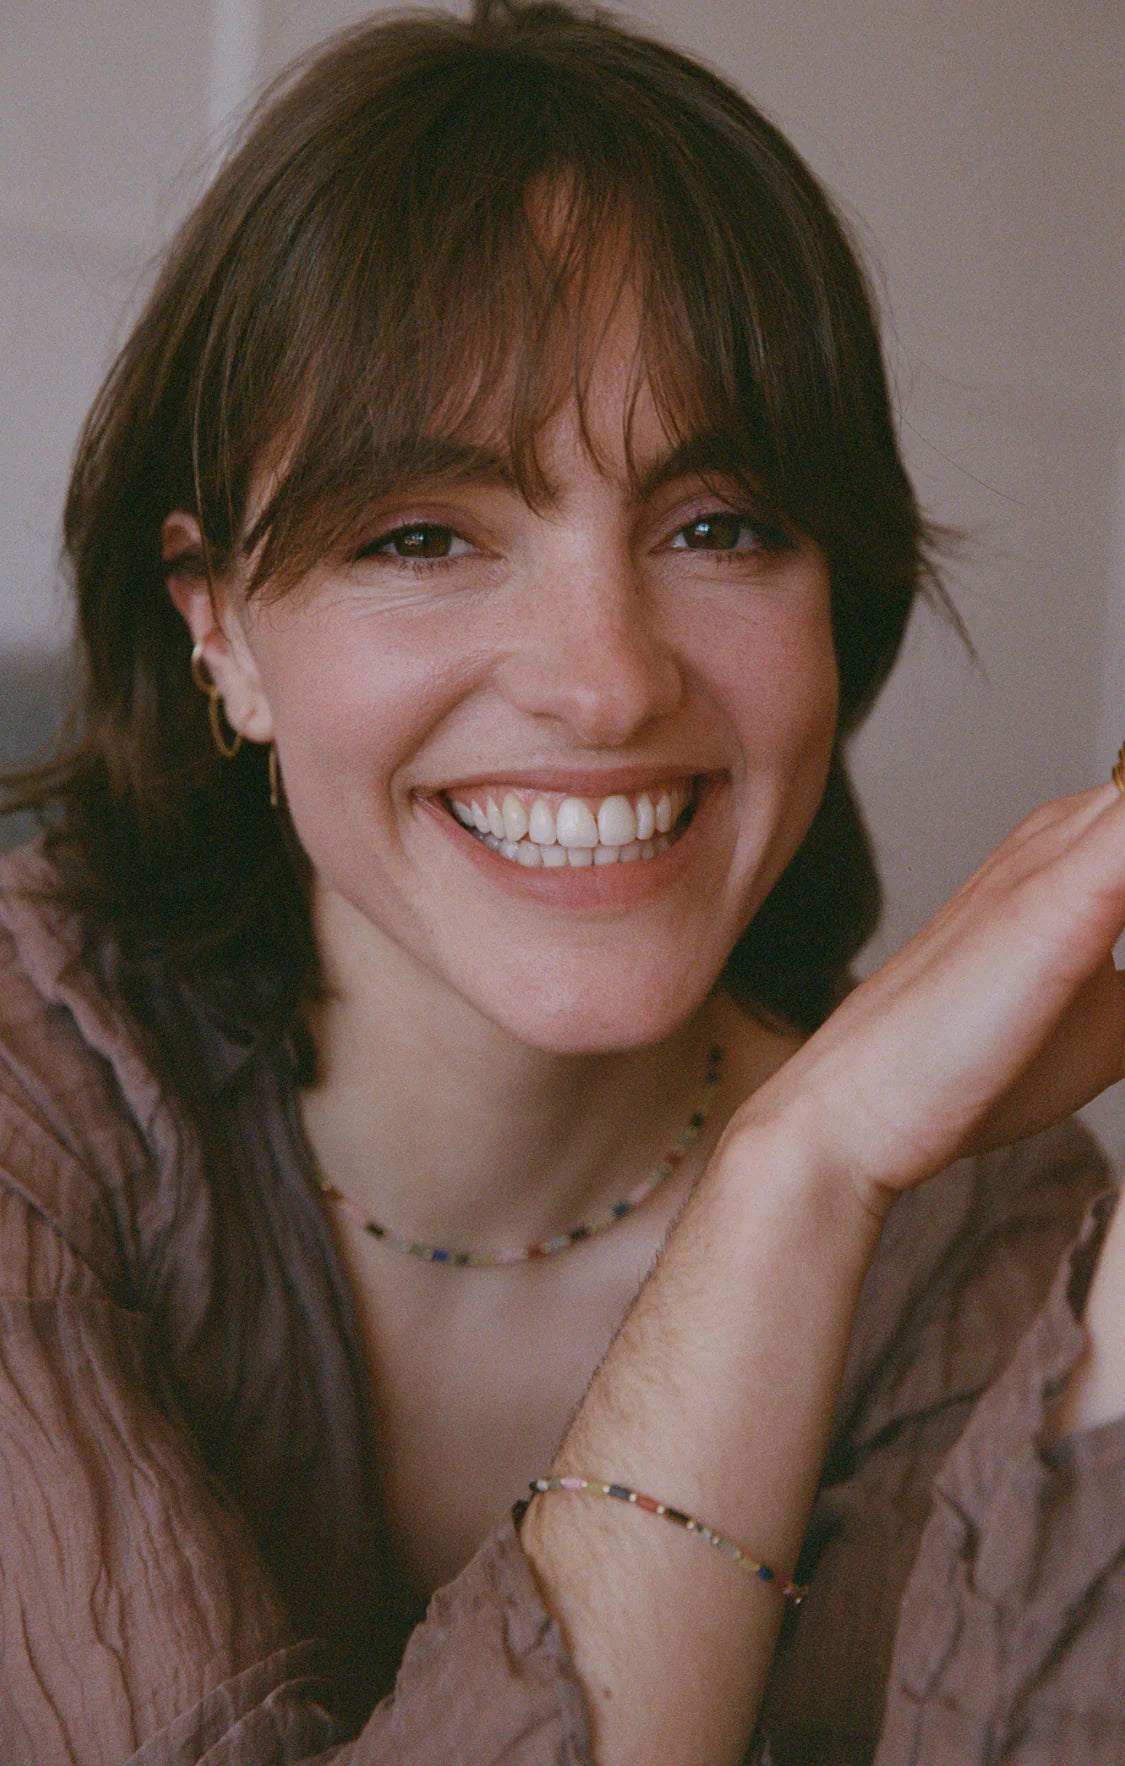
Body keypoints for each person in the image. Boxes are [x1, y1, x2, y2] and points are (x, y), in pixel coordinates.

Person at [0, 3, 1122, 1762]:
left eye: (717, 525)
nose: (603, 683)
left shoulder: (983, 1217)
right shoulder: (30, 1113)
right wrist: (787, 1194)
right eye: (422, 534)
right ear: (218, 629)